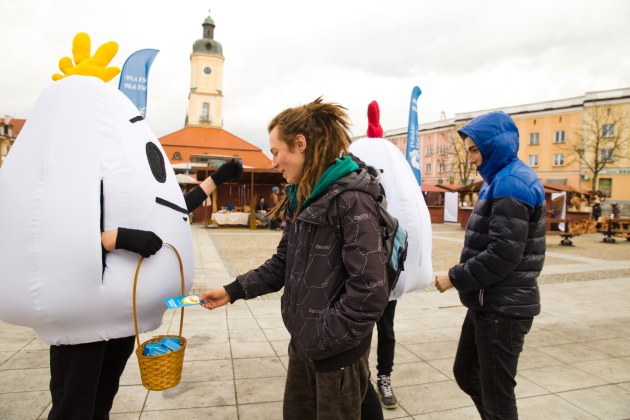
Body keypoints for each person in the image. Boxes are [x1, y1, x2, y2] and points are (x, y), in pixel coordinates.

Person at [200, 97, 389, 420]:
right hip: (304, 344)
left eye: (276, 151)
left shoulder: (352, 199)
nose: (273, 162)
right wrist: (233, 289)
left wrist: (326, 336)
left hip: (334, 354)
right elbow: (283, 263)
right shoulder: (303, 196)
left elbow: (371, 290)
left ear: (300, 144)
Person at [49, 159, 242, 420]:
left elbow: (175, 210)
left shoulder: (131, 182)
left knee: (102, 400)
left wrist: (217, 179)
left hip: (122, 318)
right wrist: (113, 239)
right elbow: (52, 239)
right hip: (83, 317)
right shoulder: (79, 174)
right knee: (74, 407)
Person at [435, 111, 546, 420]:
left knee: (498, 397)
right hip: (489, 303)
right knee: (466, 372)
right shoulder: (499, 179)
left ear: (494, 145)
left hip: (503, 311)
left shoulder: (511, 182)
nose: (471, 158)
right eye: (468, 150)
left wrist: (454, 278)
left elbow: (503, 254)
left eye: (474, 149)